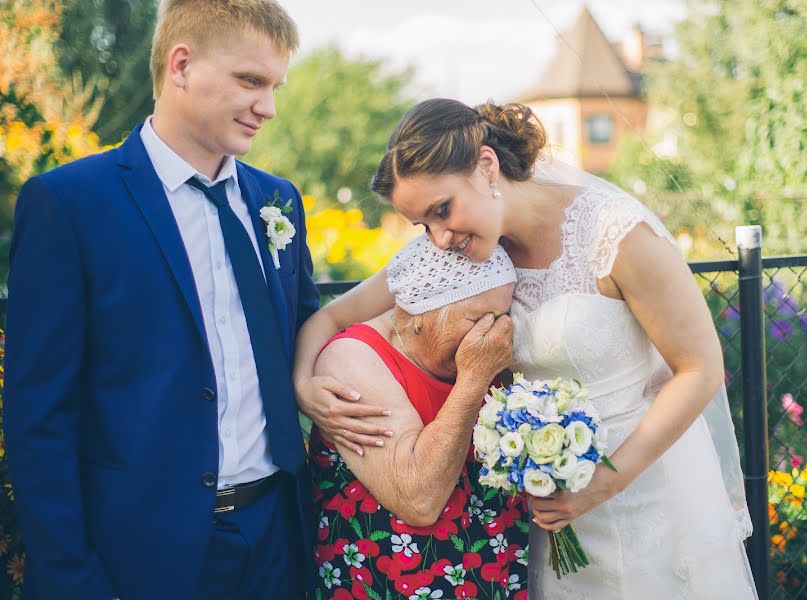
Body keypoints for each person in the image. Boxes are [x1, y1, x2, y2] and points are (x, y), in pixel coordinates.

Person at [294, 98, 758, 599]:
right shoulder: (464, 249)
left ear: (487, 165)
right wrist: (304, 385)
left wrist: (602, 482)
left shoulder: (616, 233)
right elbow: (333, 314)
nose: (439, 237)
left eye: (442, 210)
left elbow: (700, 369)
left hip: (642, 490)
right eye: (423, 225)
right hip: (546, 507)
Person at [3, 1, 319, 598]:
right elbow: (38, 417)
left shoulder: (279, 200)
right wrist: (73, 580)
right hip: (142, 556)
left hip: (278, 540)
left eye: (274, 86)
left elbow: (309, 333)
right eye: (251, 81)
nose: (269, 108)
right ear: (180, 66)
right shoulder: (69, 205)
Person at [309, 234, 528, 600]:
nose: (493, 333)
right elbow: (419, 499)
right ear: (421, 313)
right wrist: (474, 379)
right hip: (391, 580)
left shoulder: (483, 351)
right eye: (478, 318)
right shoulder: (351, 360)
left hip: (492, 573)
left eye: (502, 317)